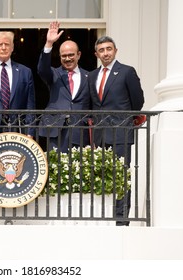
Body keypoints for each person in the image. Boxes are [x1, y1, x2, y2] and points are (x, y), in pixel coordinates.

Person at [88, 35, 145, 226]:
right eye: (102, 50)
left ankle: (121, 221)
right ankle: (104, 217)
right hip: (100, 134)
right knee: (103, 176)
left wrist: (125, 121)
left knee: (121, 177)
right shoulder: (92, 75)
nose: (106, 53)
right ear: (97, 54)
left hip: (121, 133)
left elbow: (138, 101)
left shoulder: (127, 72)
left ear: (115, 51)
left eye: (109, 49)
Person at [37, 21, 91, 152]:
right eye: (64, 56)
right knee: (57, 168)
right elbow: (42, 69)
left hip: (80, 131)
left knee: (79, 170)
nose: (67, 59)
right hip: (56, 130)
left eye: (71, 55)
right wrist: (49, 44)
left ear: (78, 55)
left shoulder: (90, 76)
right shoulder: (54, 74)